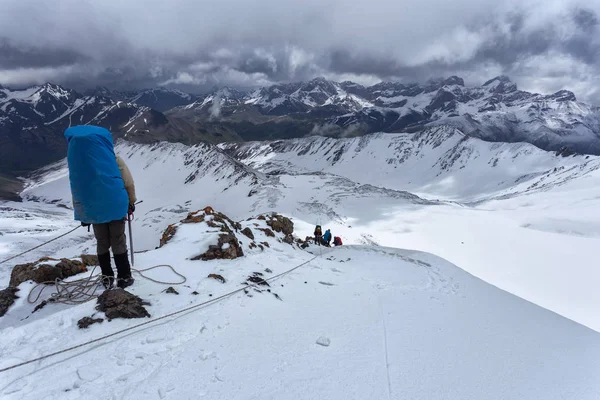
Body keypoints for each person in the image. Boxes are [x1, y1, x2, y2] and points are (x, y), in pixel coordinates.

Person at [64, 125, 137, 289]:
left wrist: (83, 213)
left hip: (94, 209)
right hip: (116, 205)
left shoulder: (79, 164)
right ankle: (124, 276)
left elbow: (77, 188)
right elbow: (128, 182)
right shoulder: (113, 158)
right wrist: (131, 202)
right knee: (118, 241)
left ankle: (106, 277)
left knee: (102, 242)